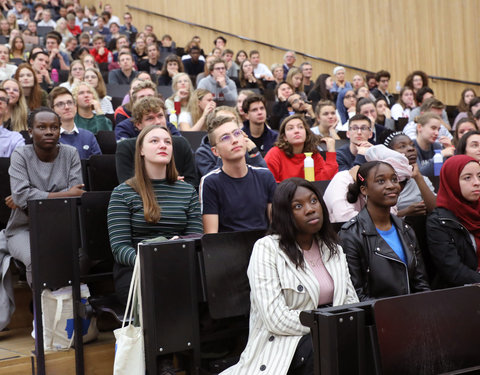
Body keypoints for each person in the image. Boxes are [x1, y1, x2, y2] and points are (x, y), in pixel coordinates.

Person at [220, 178, 358, 375]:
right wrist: (327, 326)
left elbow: (350, 300)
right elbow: (275, 318)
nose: (310, 209)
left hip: (331, 334)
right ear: (284, 214)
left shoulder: (333, 248)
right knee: (321, 347)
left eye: (313, 201)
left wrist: (336, 327)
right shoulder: (267, 249)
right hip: (284, 343)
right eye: (298, 206)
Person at [108, 123, 203, 303]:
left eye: (167, 142)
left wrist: (170, 261)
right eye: (154, 141)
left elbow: (194, 237)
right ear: (141, 150)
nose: (163, 145)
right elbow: (119, 248)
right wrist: (152, 261)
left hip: (178, 265)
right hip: (137, 268)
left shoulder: (187, 191)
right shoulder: (122, 193)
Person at [5, 107, 84, 286]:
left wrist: (34, 196)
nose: (49, 131)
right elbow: (21, 196)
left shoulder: (70, 153)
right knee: (37, 258)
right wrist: (65, 194)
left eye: (54, 127)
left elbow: (75, 196)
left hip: (62, 226)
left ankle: (65, 303)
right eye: (42, 127)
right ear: (31, 132)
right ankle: (41, 310)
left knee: (83, 255)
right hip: (24, 228)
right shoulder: (21, 155)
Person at [339, 161, 430, 301]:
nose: (391, 185)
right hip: (378, 317)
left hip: (413, 312)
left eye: (394, 179)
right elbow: (356, 294)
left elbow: (421, 283)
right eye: (381, 181)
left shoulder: (406, 229)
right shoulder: (351, 234)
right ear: (364, 190)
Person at [199, 115, 276, 233]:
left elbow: (276, 227)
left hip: (264, 247)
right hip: (228, 248)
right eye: (225, 138)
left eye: (237, 133)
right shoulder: (210, 182)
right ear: (215, 151)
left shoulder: (265, 176)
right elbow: (211, 238)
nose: (234, 140)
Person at [115, 96, 197, 187]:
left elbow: (192, 181)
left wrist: (177, 187)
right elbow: (126, 184)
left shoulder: (181, 143)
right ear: (138, 124)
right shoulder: (126, 147)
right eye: (150, 118)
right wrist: (166, 184)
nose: (157, 122)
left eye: (160, 116)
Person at [426, 155, 480, 288]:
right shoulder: (438, 221)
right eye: (467, 178)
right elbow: (453, 271)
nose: (476, 182)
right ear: (452, 181)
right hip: (459, 295)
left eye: (479, 176)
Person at [265, 114, 337, 182]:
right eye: (290, 128)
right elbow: (268, 182)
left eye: (300, 127)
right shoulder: (275, 153)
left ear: (306, 133)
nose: (296, 131)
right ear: (285, 137)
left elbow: (324, 180)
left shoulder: (312, 154)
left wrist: (331, 152)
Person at [49, 87, 102, 160]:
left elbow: (97, 167)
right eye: (60, 104)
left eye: (70, 102)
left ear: (75, 107)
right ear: (52, 110)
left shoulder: (88, 136)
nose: (67, 107)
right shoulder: (48, 138)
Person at [0, 88, 24, 157]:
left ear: (7, 108)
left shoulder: (15, 138)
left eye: (3, 99)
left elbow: (20, 164)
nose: (0, 102)